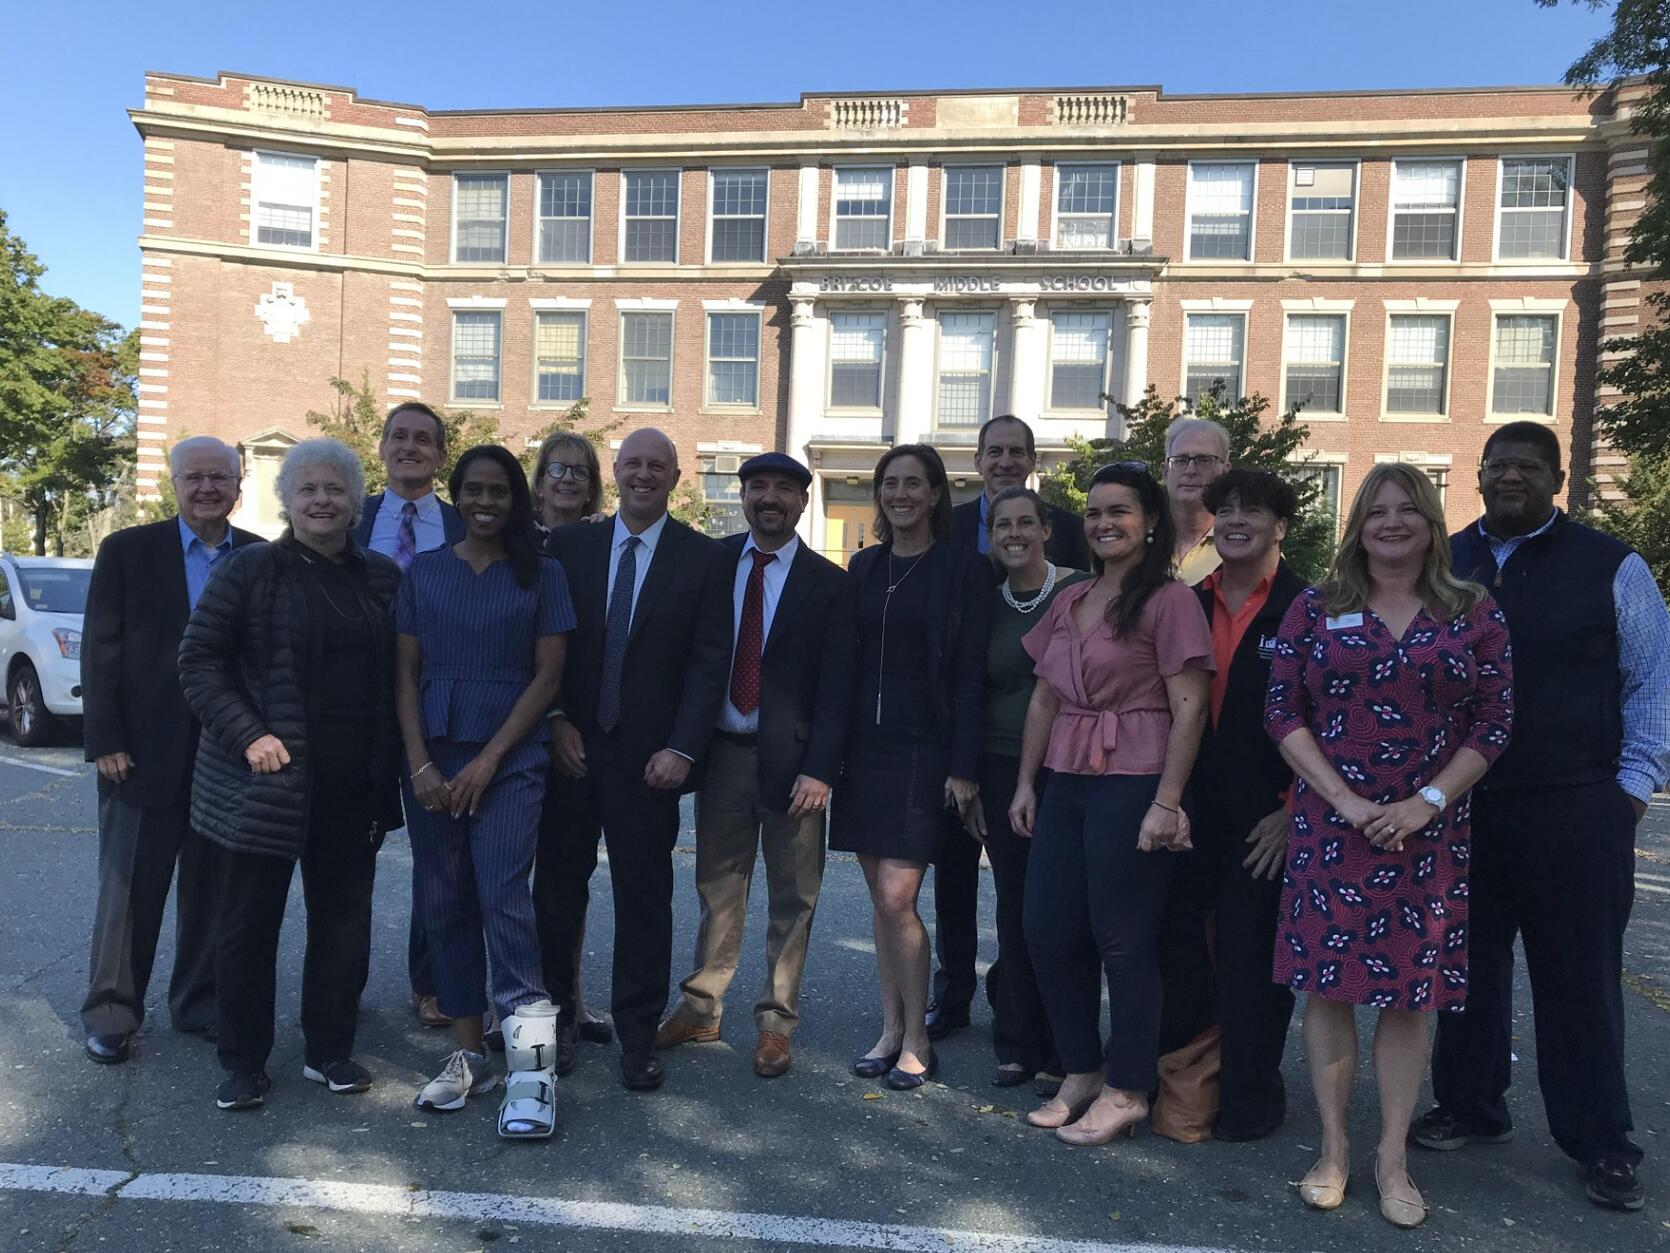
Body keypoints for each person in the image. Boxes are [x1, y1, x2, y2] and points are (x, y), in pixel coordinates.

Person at [1418, 422, 1670, 1213]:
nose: (1511, 477)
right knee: (1465, 970)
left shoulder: (1611, 566)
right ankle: (1470, 1103)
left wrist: (1629, 791)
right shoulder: (1444, 561)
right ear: (1481, 476)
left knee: (1579, 980)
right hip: (1464, 808)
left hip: (1576, 806)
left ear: (1558, 480)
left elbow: (1653, 680)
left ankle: (1602, 1141)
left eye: (1529, 466)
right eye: (1498, 466)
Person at [1264, 462, 1513, 1229]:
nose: (1393, 522)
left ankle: (1392, 1154)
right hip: (1330, 829)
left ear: (1433, 522)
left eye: (1409, 509)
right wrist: (1343, 800)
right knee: (1330, 990)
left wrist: (1425, 802)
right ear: (1359, 525)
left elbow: (1494, 721)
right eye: (1378, 511)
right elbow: (1280, 710)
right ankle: (1335, 1149)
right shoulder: (1317, 606)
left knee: (1412, 1000)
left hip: (1429, 835)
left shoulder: (1473, 610)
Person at [177, 438, 403, 1111]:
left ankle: (328, 1050)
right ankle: (243, 1060)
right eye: (308, 489)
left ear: (357, 500)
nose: (323, 500)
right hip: (262, 787)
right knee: (248, 926)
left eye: (335, 489)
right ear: (288, 500)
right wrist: (250, 733)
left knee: (343, 922)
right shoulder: (250, 570)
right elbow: (198, 663)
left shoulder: (382, 578)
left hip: (350, 785)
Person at [1010, 462, 1213, 1146]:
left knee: (1123, 939)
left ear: (1149, 520)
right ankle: (1081, 1069)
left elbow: (1191, 706)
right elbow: (1044, 695)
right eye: (1094, 512)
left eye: (1119, 511)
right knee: (1045, 926)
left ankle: (1128, 1086)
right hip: (1067, 772)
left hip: (1136, 772)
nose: (1103, 523)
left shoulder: (1169, 598)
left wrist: (1168, 799)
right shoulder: (1073, 598)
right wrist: (1025, 783)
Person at [542, 428, 732, 1092]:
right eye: (634, 464)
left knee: (644, 899)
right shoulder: (569, 547)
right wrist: (556, 718)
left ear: (676, 477)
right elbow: (549, 644)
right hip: (571, 753)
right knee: (557, 893)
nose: (644, 474)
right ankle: (558, 1022)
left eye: (658, 465)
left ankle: (636, 1035)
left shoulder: (705, 559)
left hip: (652, 760)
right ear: (615, 472)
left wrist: (683, 747)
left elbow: (712, 662)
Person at [656, 452, 856, 1078]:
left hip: (796, 767)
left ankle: (775, 1022)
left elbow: (837, 688)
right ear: (742, 497)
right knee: (718, 888)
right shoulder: (711, 566)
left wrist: (822, 768)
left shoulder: (830, 584)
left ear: (802, 502)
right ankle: (701, 1006)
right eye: (757, 487)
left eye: (784, 489)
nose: (769, 497)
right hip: (723, 757)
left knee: (793, 897)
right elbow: (689, 660)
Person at [395, 445, 574, 1137]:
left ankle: (532, 1073)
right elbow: (405, 674)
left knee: (503, 899)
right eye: (472, 489)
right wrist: (419, 763)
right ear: (457, 494)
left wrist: (490, 758)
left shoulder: (543, 574)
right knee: (444, 901)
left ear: (515, 498)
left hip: (511, 756)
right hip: (433, 757)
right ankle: (468, 1052)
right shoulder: (424, 572)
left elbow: (548, 679)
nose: (485, 501)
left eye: (498, 490)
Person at [79, 437, 262, 1065]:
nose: (208, 488)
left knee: (212, 887)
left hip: (226, 757)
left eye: (220, 478)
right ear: (175, 484)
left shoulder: (261, 557)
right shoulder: (128, 551)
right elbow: (101, 646)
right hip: (139, 753)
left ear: (239, 486)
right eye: (195, 478)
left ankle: (199, 1002)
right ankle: (112, 1010)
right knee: (129, 889)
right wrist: (105, 739)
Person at [832, 444, 991, 1090]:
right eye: (889, 483)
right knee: (881, 898)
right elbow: (843, 664)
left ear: (933, 495)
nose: (900, 494)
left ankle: (919, 1038)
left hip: (926, 750)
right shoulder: (863, 566)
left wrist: (964, 765)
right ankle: (891, 1026)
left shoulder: (963, 570)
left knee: (899, 896)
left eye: (912, 484)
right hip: (865, 751)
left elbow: (973, 673)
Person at [933, 415, 1089, 1044]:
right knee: (952, 875)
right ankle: (953, 993)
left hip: (1046, 752)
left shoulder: (1072, 544)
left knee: (1027, 888)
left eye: (1015, 452)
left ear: (1031, 460)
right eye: (993, 451)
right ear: (977, 459)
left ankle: (1016, 1002)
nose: (1003, 460)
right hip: (959, 735)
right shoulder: (949, 529)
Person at [1181, 469, 1307, 1141]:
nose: (1234, 519)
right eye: (1223, 509)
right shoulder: (1186, 603)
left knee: (1252, 962)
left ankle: (1251, 1096)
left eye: (1252, 510)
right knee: (1182, 951)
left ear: (1279, 525)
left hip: (1268, 815)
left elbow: (1334, 723)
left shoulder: (1308, 607)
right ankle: (1184, 1086)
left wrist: (1295, 809)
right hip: (1189, 808)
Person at [961, 486, 1087, 1092]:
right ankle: (1018, 1038)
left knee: (1064, 911)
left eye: (1024, 524)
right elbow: (971, 691)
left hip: (1073, 767)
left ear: (1045, 530)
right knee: (1013, 907)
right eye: (1000, 524)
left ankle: (1069, 1047)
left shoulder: (1080, 591)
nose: (1012, 533)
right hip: (1000, 766)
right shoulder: (985, 604)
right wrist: (970, 777)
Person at [350, 401, 466, 1033]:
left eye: (425, 440)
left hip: (436, 712)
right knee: (349, 854)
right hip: (360, 712)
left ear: (440, 454)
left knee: (437, 857)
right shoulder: (349, 516)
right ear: (383, 446)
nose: (411, 448)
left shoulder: (461, 523)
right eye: (400, 437)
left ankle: (431, 983)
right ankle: (343, 983)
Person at [527, 430, 614, 1051]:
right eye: (556, 468)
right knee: (520, 880)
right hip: (524, 726)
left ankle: (571, 998)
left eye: (579, 472)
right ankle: (527, 1000)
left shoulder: (602, 547)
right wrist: (552, 714)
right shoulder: (515, 544)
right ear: (538, 479)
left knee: (566, 881)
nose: (567, 479)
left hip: (582, 738)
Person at [1163, 417, 1231, 585]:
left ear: (1224, 472)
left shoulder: (1245, 544)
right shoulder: (1138, 541)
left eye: (1204, 460)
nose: (1190, 470)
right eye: (1180, 460)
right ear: (1165, 472)